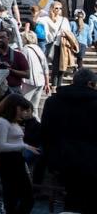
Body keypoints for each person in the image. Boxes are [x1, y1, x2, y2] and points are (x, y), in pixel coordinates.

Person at [40, 68, 97, 213]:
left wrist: (50, 160)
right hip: (92, 161)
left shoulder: (52, 102)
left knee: (71, 201)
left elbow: (45, 133)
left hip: (62, 160)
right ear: (91, 83)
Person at [0, 94, 37, 214]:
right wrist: (24, 146)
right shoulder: (2, 122)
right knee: (12, 198)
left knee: (27, 197)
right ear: (13, 107)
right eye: (21, 109)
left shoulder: (14, 122)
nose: (23, 112)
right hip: (7, 161)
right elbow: (1, 146)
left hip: (17, 160)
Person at [40, 2, 76, 86]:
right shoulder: (46, 19)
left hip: (62, 45)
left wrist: (65, 34)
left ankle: (58, 86)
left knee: (62, 66)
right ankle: (54, 87)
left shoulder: (64, 19)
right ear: (52, 8)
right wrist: (40, 9)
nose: (59, 10)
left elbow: (68, 32)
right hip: (52, 45)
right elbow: (35, 20)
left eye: (60, 8)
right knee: (55, 67)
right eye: (56, 8)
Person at [19, 31, 50, 118]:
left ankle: (26, 124)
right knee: (34, 107)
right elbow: (45, 67)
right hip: (40, 80)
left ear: (25, 39)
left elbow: (21, 65)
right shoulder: (38, 48)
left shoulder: (25, 50)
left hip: (29, 81)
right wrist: (47, 83)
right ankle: (36, 123)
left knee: (25, 105)